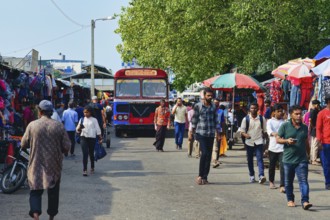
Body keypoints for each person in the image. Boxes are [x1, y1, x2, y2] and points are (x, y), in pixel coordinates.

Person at [21, 100, 71, 220]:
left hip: (36, 164)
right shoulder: (58, 126)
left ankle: (36, 214)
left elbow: (23, 144)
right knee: (53, 193)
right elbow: (67, 146)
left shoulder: (32, 125)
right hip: (54, 165)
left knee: (35, 191)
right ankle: (51, 217)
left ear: (40, 111)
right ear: (50, 112)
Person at [277, 105, 312, 209]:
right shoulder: (285, 126)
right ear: (291, 115)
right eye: (296, 114)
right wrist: (287, 141)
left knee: (303, 181)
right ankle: (290, 199)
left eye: (300, 114)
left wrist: (309, 155)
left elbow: (306, 142)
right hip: (288, 160)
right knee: (288, 182)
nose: (298, 116)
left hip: (302, 160)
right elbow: (278, 139)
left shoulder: (305, 127)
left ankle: (305, 201)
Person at [192, 88, 218, 185]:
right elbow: (194, 120)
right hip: (201, 133)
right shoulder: (198, 106)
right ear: (204, 95)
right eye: (208, 95)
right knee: (205, 153)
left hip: (211, 134)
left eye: (211, 96)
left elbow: (216, 120)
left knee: (208, 156)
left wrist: (218, 132)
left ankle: (205, 176)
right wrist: (192, 132)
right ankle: (200, 175)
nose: (210, 97)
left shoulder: (214, 106)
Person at [240, 103, 267, 184]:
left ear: (258, 109)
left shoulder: (262, 119)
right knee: (250, 160)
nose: (253, 110)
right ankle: (252, 175)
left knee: (260, 159)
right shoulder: (246, 119)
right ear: (249, 109)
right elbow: (242, 131)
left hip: (259, 142)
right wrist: (246, 135)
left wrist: (266, 143)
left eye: (255, 108)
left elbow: (265, 131)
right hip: (249, 142)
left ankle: (261, 176)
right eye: (252, 108)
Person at [76, 105, 102, 176]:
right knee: (85, 153)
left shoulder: (94, 120)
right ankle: (84, 170)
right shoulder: (81, 119)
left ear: (90, 112)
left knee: (91, 153)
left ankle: (92, 167)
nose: (85, 114)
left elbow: (97, 129)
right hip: (83, 137)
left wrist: (100, 138)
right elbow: (77, 129)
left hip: (92, 138)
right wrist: (79, 129)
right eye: (84, 112)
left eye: (87, 112)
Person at [266, 104, 285, 192]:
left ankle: (282, 185)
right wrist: (276, 134)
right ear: (274, 112)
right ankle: (271, 181)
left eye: (282, 111)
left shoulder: (285, 122)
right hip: (273, 147)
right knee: (272, 166)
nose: (280, 113)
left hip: (282, 148)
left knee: (283, 166)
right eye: (278, 111)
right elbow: (270, 131)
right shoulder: (269, 121)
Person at [316, 95, 330, 190]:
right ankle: (328, 182)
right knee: (326, 164)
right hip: (325, 142)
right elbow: (318, 128)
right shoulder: (322, 113)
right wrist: (319, 141)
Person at [212, 102, 225, 168]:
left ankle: (215, 160)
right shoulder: (210, 110)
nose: (216, 104)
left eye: (217, 103)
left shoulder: (221, 111)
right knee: (212, 147)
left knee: (216, 146)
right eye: (215, 103)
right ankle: (213, 160)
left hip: (218, 130)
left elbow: (222, 121)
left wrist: (223, 131)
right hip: (209, 130)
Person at [309, 100, 321, 165]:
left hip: (314, 129)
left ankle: (312, 158)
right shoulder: (314, 111)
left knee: (313, 145)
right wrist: (313, 126)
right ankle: (314, 159)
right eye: (317, 104)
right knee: (315, 145)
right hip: (315, 129)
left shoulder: (312, 110)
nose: (318, 106)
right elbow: (310, 120)